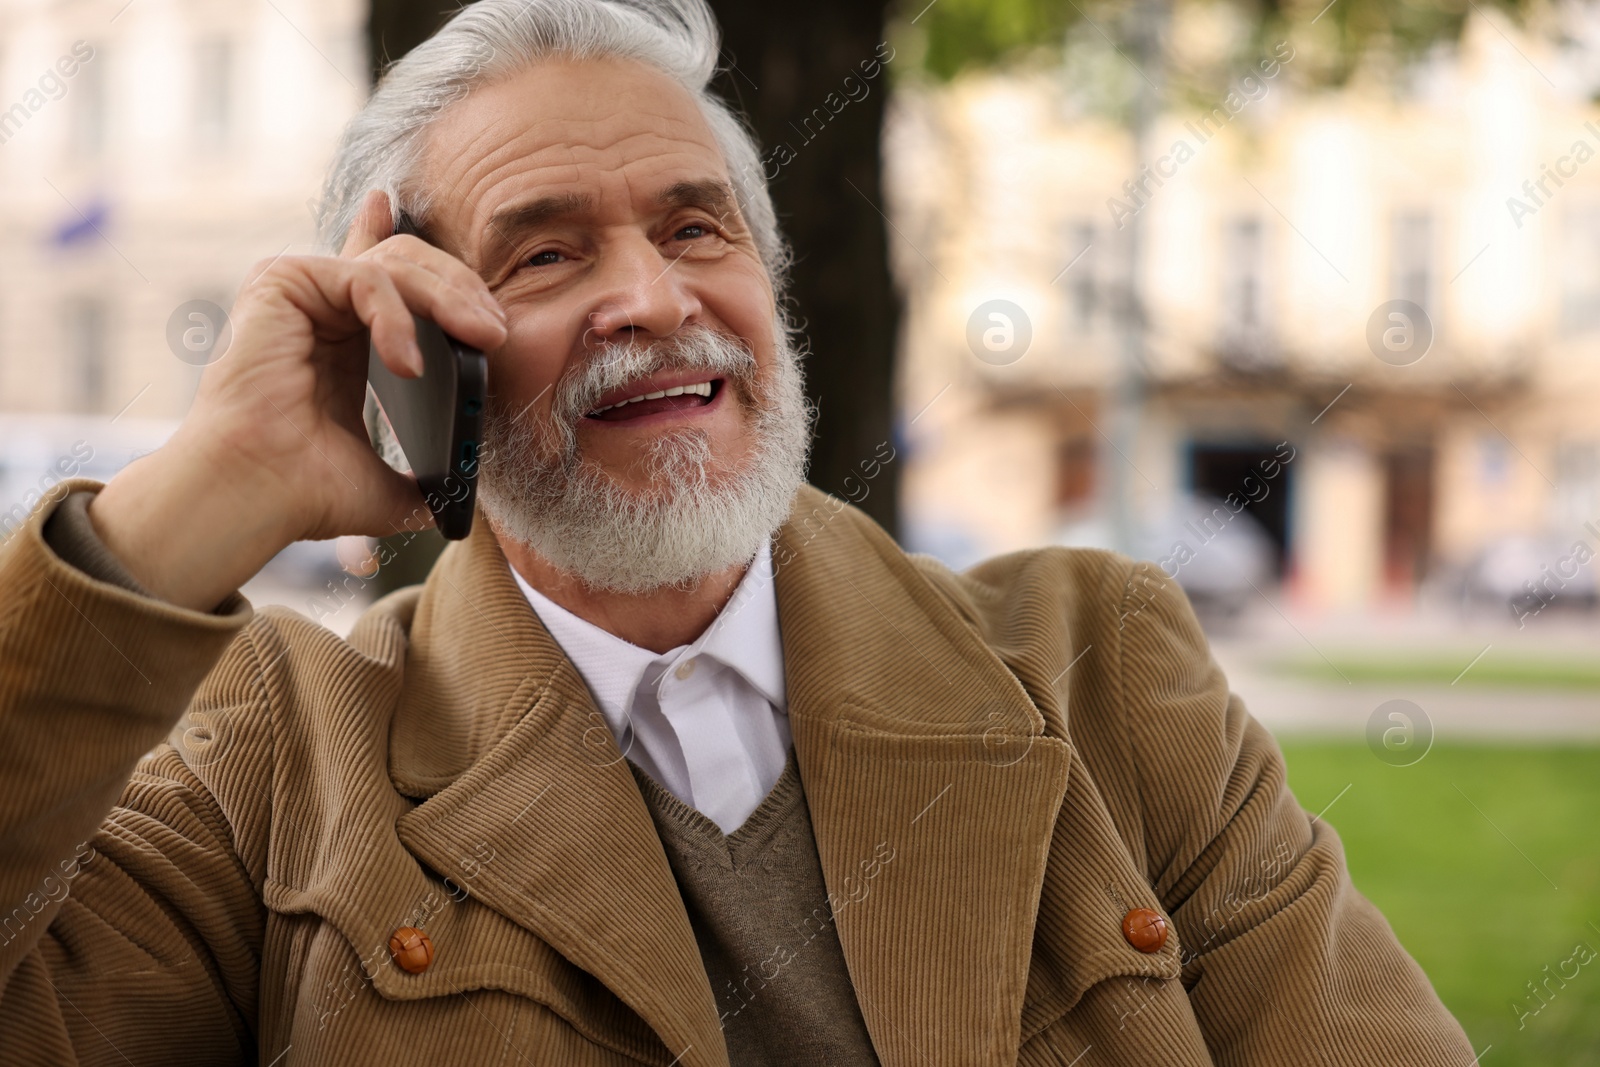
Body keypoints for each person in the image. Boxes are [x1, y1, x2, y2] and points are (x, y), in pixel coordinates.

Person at [0, 1, 1473, 1063]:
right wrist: (206, 486)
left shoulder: (1101, 667)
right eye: (549, 251)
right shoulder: (275, 754)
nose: (653, 297)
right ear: (414, 349)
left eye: (698, 229)